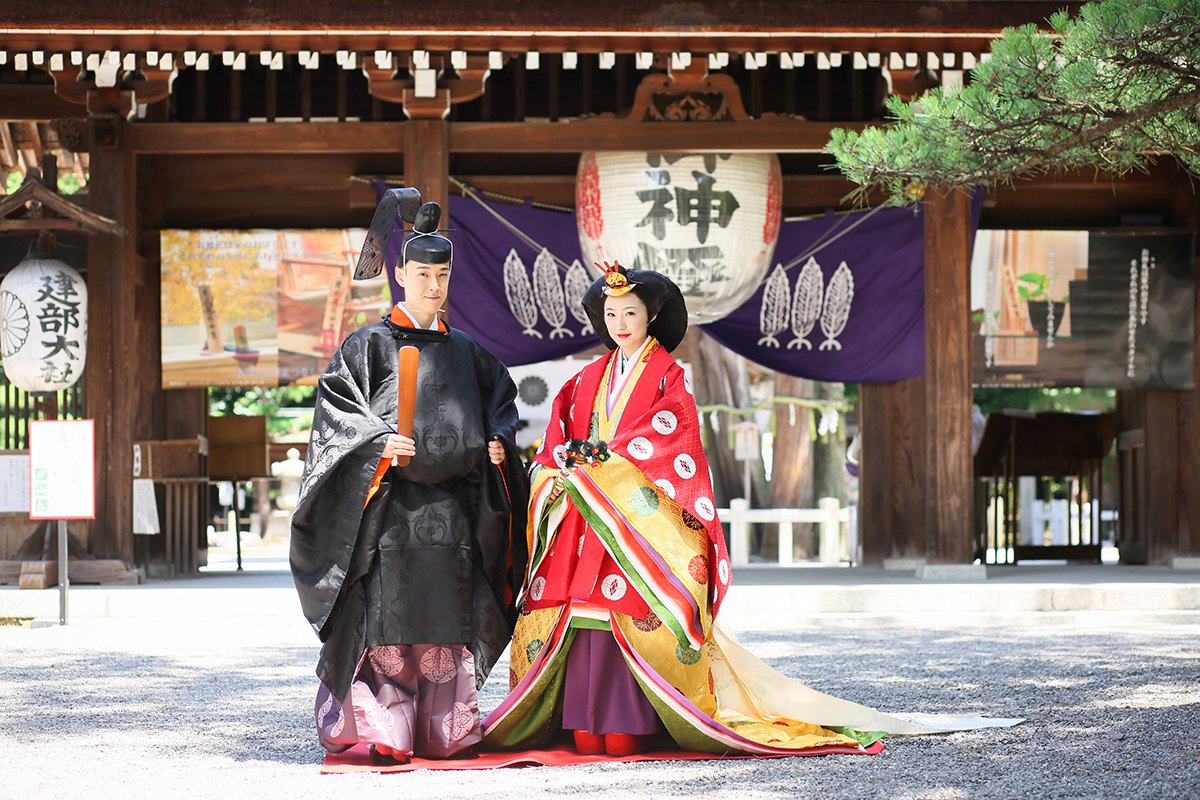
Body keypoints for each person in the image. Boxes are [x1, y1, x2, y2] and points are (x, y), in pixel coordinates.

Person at [483, 262, 1020, 757]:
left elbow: (671, 438)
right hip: (586, 521)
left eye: (631, 313)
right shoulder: (583, 381)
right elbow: (557, 441)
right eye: (611, 315)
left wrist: (611, 463)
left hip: (637, 525)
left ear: (651, 318)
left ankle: (633, 717)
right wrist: (567, 464)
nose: (620, 323)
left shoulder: (668, 376)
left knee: (632, 615)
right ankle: (580, 715)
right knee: (581, 617)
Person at [290, 199, 529, 764]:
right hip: (390, 511)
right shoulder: (366, 347)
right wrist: (376, 446)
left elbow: (501, 405)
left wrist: (500, 446)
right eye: (422, 274)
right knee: (387, 622)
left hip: (455, 512)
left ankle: (447, 730)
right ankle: (386, 731)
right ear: (400, 274)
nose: (433, 285)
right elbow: (337, 416)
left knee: (449, 623)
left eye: (442, 275)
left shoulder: (470, 353)